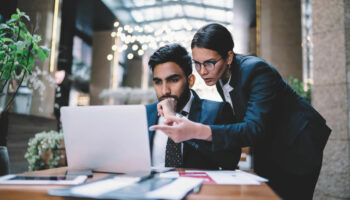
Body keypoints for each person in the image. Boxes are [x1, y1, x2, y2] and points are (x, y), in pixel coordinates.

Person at [151, 24, 331, 199]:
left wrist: (196, 130)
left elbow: (252, 128)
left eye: (209, 63)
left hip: (299, 141)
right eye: (197, 64)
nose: (203, 71)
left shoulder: (256, 70)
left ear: (229, 57)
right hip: (268, 142)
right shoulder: (220, 78)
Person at [146, 43, 241, 170]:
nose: (164, 91)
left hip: (199, 188)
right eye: (158, 82)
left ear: (190, 81)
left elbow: (230, 161)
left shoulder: (217, 111)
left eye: (173, 80)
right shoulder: (145, 114)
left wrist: (175, 119)